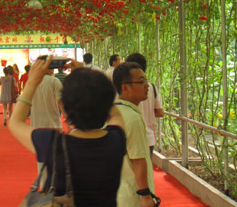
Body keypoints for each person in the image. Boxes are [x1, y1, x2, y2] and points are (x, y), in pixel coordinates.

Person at [9, 56, 126, 206]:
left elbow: (15, 122)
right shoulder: (116, 139)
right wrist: (86, 76)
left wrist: (32, 82)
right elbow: (113, 110)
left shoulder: (53, 144)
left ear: (66, 105)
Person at [113, 62, 157, 207]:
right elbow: (138, 160)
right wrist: (145, 196)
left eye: (146, 80)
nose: (147, 85)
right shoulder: (133, 119)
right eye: (141, 81)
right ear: (125, 87)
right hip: (132, 196)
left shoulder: (113, 113)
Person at [126, 53, 164, 155]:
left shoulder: (124, 89)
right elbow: (160, 112)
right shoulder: (152, 88)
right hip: (148, 137)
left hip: (130, 137)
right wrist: (147, 113)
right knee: (145, 168)